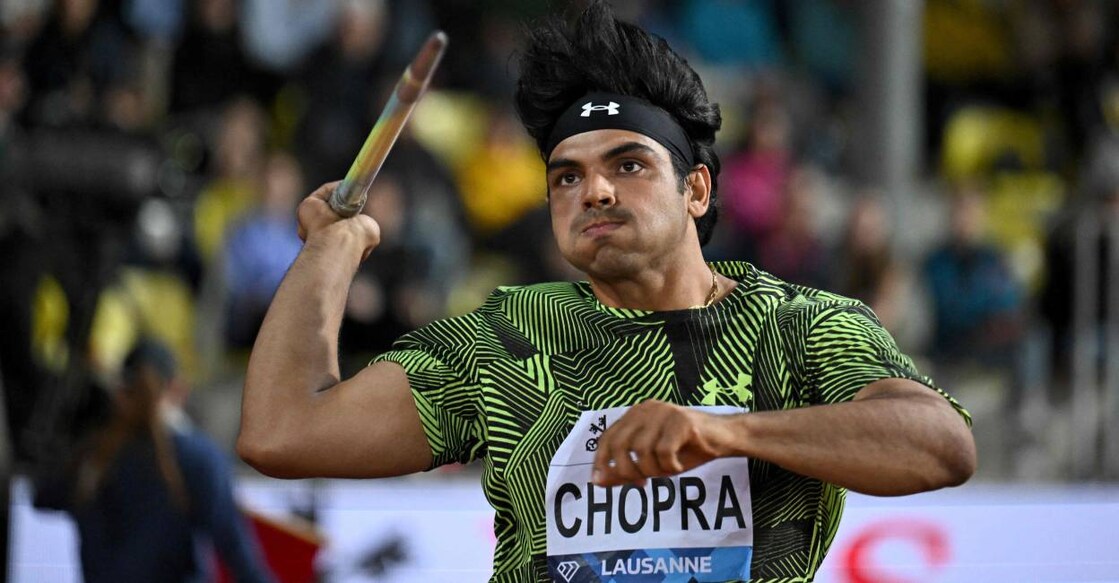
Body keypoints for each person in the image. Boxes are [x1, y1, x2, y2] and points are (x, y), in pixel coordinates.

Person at [237, 2, 976, 581]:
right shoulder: (505, 340)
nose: (591, 189)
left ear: (695, 188)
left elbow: (940, 444)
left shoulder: (800, 325)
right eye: (566, 175)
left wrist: (722, 431)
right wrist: (330, 252)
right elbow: (281, 433)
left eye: (627, 165)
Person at [36, 339, 275, 583]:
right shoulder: (198, 459)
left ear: (121, 391)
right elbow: (240, 558)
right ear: (178, 388)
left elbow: (42, 495)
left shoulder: (92, 456)